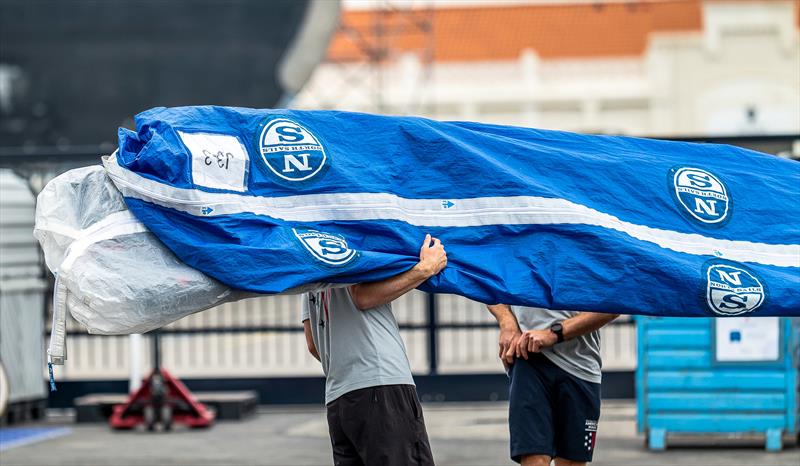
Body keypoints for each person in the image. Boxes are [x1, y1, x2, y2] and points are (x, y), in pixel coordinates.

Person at [302, 234, 447, 466]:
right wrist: (425, 269)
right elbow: (362, 296)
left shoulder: (312, 261)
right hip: (380, 384)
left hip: (339, 398)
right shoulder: (347, 239)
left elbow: (312, 343)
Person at [487, 304, 619, 466]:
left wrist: (555, 333)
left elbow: (614, 305)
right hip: (528, 357)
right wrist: (507, 322)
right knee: (534, 459)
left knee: (572, 462)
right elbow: (489, 282)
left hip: (580, 367)